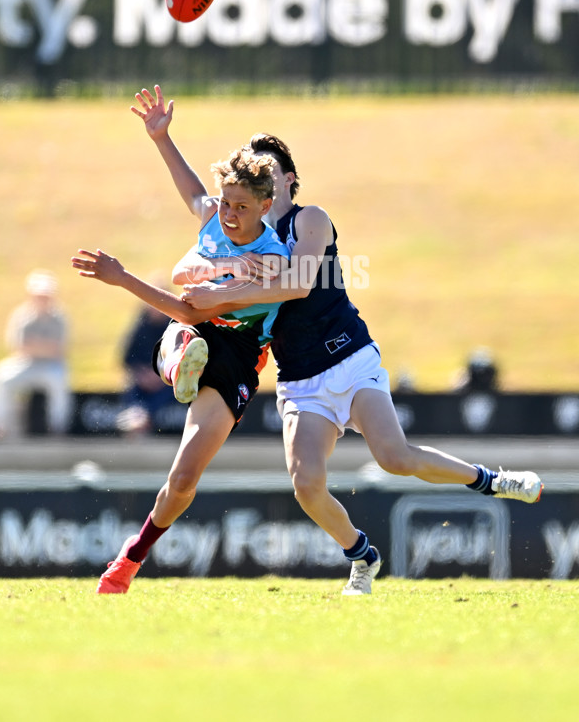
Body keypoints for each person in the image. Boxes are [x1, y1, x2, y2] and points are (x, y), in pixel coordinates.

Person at [180, 131, 544, 595]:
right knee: (307, 486)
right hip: (299, 378)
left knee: (394, 457)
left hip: (349, 357)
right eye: (255, 175)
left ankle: (492, 481)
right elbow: (196, 197)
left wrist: (221, 291)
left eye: (270, 173)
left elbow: (298, 284)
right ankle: (362, 555)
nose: (261, 181)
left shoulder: (310, 220)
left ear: (288, 181)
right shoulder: (241, 230)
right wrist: (161, 136)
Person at [71, 104, 289, 594]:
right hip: (192, 330)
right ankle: (180, 363)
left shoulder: (266, 261)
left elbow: (194, 309)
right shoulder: (215, 216)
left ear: (263, 207)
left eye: (241, 208)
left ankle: (132, 556)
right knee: (184, 336)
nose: (229, 215)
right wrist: (160, 137)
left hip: (236, 352)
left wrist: (122, 278)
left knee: (186, 475)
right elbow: (193, 190)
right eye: (226, 204)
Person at [0, 269, 72, 439]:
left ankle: (58, 429)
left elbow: (59, 350)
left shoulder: (60, 317)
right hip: (26, 363)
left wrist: (35, 345)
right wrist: (43, 347)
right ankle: (0, 428)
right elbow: (18, 347)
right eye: (39, 295)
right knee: (1, 379)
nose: (42, 299)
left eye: (46, 295)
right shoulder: (22, 316)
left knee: (59, 379)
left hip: (51, 365)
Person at [116, 295, 176, 436]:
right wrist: (141, 374)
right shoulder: (139, 327)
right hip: (142, 379)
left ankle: (142, 418)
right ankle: (136, 416)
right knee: (131, 388)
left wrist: (160, 376)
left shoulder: (175, 327)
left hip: (167, 380)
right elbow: (127, 358)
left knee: (170, 391)